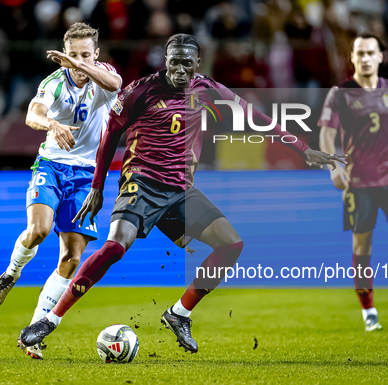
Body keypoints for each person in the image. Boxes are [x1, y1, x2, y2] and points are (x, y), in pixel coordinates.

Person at [18, 33, 344, 355]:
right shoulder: (140, 90)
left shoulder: (207, 89)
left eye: (186, 63)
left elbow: (256, 118)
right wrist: (98, 187)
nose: (179, 69)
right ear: (165, 60)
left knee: (231, 245)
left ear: (197, 64)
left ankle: (179, 313)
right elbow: (110, 133)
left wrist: (303, 149)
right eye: (174, 62)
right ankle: (51, 318)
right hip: (141, 184)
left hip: (180, 191)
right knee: (116, 247)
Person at [0, 22, 122, 359]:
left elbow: (117, 84)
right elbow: (33, 115)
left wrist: (80, 65)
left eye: (85, 55)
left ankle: (33, 332)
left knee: (72, 257)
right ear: (64, 55)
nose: (78, 62)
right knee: (39, 230)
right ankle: (10, 273)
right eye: (72, 55)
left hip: (87, 175)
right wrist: (53, 124)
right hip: (51, 165)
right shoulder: (53, 83)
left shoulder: (104, 79)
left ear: (96, 55)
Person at [318, 33, 388, 331]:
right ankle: (369, 312)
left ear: (381, 56)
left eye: (370, 52)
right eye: (360, 53)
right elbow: (327, 133)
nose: (365, 58)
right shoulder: (340, 93)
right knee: (362, 248)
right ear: (352, 58)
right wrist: (333, 167)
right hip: (359, 184)